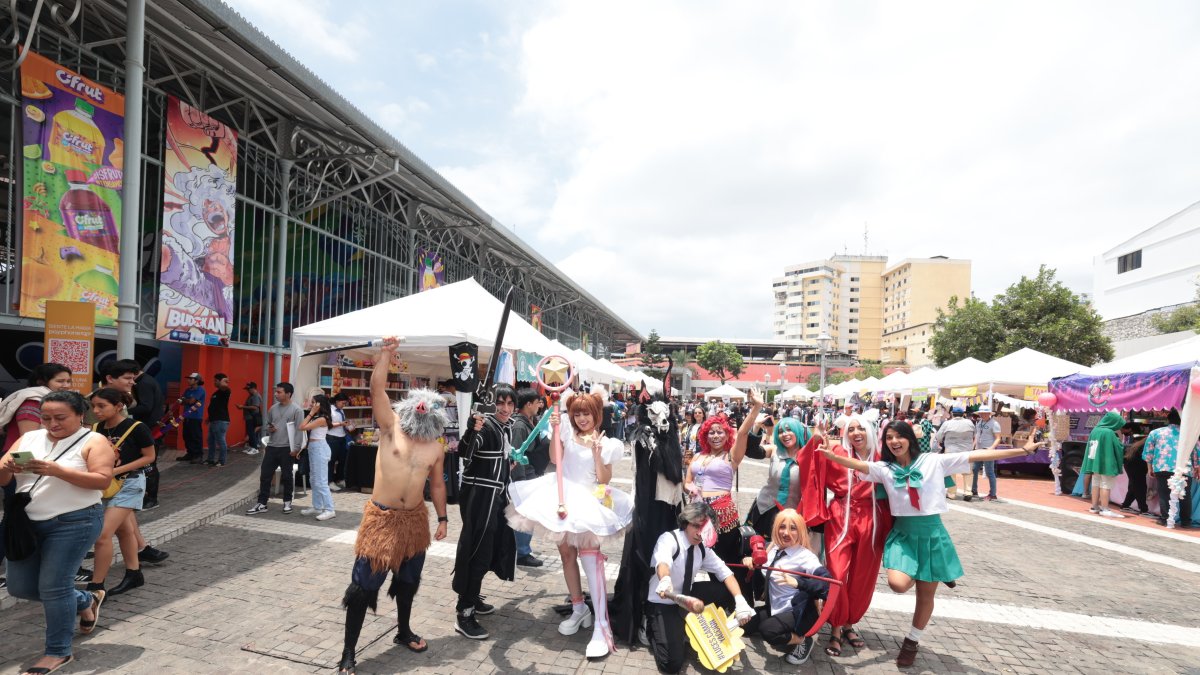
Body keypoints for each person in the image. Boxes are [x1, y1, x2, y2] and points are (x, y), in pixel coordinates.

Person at [820, 420, 1043, 666]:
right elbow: (859, 464)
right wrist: (833, 456)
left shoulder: (933, 461)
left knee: (925, 597)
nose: (895, 442)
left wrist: (1022, 450)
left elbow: (975, 454)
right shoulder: (885, 468)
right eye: (890, 438)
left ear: (911, 439)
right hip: (903, 536)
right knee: (897, 584)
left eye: (900, 437)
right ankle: (935, 571)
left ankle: (911, 642)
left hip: (932, 535)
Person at [338, 339, 449, 674]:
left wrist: (443, 518)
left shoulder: (436, 447)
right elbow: (376, 389)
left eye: (429, 408)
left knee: (407, 581)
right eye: (419, 406)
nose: (422, 411)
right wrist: (385, 354)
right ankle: (348, 652)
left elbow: (438, 485)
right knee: (362, 588)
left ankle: (403, 631)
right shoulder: (390, 429)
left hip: (415, 521)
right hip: (382, 521)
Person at [508, 390, 634, 657]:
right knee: (566, 555)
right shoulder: (567, 432)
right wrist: (556, 429)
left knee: (590, 559)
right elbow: (555, 460)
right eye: (577, 413)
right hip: (563, 497)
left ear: (596, 414)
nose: (581, 418)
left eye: (586, 413)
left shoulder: (607, 442)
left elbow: (604, 480)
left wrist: (598, 454)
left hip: (589, 503)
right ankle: (579, 607)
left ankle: (601, 624)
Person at [0, 390, 114, 675]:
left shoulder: (94, 441)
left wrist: (57, 470)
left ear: (79, 415)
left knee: (54, 587)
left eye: (60, 418)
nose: (52, 424)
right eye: (46, 417)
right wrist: (7, 467)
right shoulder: (30, 438)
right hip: (27, 523)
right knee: (21, 587)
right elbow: (3, 478)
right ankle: (85, 600)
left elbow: (101, 481)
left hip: (74, 522)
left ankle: (58, 652)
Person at [803, 413, 893, 657]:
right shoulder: (839, 454)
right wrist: (816, 439)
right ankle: (835, 626)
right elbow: (812, 462)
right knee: (837, 572)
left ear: (870, 431)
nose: (856, 433)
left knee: (864, 575)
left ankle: (849, 624)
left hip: (872, 516)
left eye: (860, 428)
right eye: (851, 429)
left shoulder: (882, 457)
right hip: (840, 514)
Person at [644, 502, 754, 674]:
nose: (699, 532)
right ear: (686, 522)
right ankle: (650, 626)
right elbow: (663, 562)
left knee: (725, 590)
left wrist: (740, 601)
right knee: (671, 664)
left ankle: (686, 625)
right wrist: (665, 579)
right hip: (663, 601)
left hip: (687, 596)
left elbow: (725, 573)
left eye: (704, 528)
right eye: (696, 525)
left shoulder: (703, 549)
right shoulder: (669, 539)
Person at [611, 396, 684, 647]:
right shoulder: (644, 439)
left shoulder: (670, 439)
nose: (660, 421)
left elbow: (675, 475)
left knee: (664, 561)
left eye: (664, 415)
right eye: (654, 415)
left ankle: (658, 613)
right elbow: (642, 476)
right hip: (646, 511)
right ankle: (640, 615)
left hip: (667, 511)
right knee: (644, 560)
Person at [452, 384, 519, 640]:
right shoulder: (486, 425)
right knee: (477, 551)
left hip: (496, 499)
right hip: (480, 501)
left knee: (490, 549)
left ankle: (473, 597)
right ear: (492, 404)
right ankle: (464, 613)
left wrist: (507, 464)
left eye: (509, 404)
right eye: (500, 403)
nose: (505, 408)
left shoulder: (505, 427)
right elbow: (465, 452)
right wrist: (471, 429)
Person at [86, 388, 156, 598]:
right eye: (94, 406)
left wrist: (115, 470)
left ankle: (97, 586)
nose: (96, 411)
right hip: (106, 486)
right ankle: (134, 574)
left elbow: (149, 457)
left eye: (101, 406)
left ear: (118, 406)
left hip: (131, 483)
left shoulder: (136, 427)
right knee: (124, 531)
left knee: (102, 536)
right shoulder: (97, 428)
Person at [739, 509, 832, 666]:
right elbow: (760, 565)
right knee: (745, 624)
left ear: (801, 531)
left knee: (768, 630)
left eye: (793, 528)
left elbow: (827, 583)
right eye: (782, 527)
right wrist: (749, 560)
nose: (786, 533)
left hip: (797, 612)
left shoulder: (805, 557)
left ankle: (802, 640)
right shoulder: (773, 548)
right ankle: (779, 626)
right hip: (775, 606)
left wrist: (799, 583)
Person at [682, 389, 762, 564]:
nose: (715, 436)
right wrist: (691, 488)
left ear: (727, 435)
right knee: (695, 558)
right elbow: (687, 481)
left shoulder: (731, 456)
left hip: (723, 516)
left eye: (720, 432)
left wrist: (756, 407)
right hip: (697, 513)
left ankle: (732, 591)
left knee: (725, 562)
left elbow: (742, 433)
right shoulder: (697, 456)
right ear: (704, 435)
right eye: (711, 432)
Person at [245, 383, 304, 515]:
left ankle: (287, 502)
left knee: (287, 476)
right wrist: (269, 429)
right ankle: (262, 503)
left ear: (288, 394)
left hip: (287, 448)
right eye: (276, 392)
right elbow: (268, 425)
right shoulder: (273, 408)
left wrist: (296, 448)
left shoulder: (297, 410)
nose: (276, 394)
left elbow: (300, 431)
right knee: (265, 476)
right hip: (272, 447)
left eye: (279, 392)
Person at [1142, 409, 1200, 527]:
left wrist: (1149, 468)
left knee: (1164, 494)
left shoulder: (1155, 433)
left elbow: (1148, 453)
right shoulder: (1189, 435)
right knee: (1184, 495)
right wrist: (1196, 467)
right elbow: (1196, 453)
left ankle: (1165, 519)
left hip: (1162, 467)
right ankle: (1185, 521)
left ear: (1168, 419)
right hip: (1184, 468)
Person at [509, 389, 547, 568]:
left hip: (530, 475)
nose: (540, 405)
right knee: (525, 514)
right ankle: (522, 552)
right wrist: (521, 482)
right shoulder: (519, 425)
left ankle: (522, 549)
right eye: (538, 402)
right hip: (524, 477)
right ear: (528, 404)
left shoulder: (529, 422)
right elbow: (517, 455)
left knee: (528, 513)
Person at [124, 361, 164, 510]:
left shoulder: (144, 383)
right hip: (148, 426)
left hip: (150, 428)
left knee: (149, 465)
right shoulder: (147, 381)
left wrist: (123, 411)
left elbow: (146, 407)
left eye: (127, 377)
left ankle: (151, 498)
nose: (129, 382)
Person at [1081, 411, 1127, 518]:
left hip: (1094, 462)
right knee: (1106, 485)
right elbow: (1119, 446)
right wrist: (1120, 435)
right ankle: (1105, 508)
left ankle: (1094, 507)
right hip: (1106, 463)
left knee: (1096, 483)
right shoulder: (1109, 432)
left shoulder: (1095, 430)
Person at [299, 394, 336, 520]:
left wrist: (311, 413)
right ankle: (317, 506)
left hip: (319, 448)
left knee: (321, 481)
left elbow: (302, 427)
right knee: (314, 480)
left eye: (313, 402)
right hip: (314, 448)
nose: (311, 404)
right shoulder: (319, 417)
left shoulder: (321, 419)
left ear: (319, 405)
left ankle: (330, 509)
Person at [933, 407, 975, 501]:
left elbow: (939, 437)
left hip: (951, 450)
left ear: (952, 413)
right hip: (967, 450)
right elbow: (974, 434)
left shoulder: (947, 423)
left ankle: (952, 493)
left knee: (951, 472)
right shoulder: (969, 423)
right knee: (968, 471)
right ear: (963, 414)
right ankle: (968, 492)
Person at [971, 406, 1001, 501]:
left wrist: (991, 448)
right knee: (974, 469)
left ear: (989, 414)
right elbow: (977, 435)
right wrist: (973, 445)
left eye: (984, 413)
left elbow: (998, 438)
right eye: (981, 413)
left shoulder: (995, 424)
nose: (982, 415)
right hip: (979, 449)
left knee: (989, 472)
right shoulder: (979, 422)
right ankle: (974, 490)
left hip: (988, 450)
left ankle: (992, 494)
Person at [1119, 423, 1149, 515]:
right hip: (1136, 464)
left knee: (1134, 486)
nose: (1122, 432)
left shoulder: (1136, 439)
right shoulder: (1141, 439)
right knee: (1139, 486)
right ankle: (1143, 509)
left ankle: (1125, 505)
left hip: (1131, 463)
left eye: (1123, 429)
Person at [177, 373, 206, 462]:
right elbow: (181, 401)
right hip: (187, 416)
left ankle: (198, 455)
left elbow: (190, 401)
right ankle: (190, 454)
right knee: (186, 435)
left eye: (191, 378)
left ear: (196, 380)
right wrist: (185, 400)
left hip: (195, 417)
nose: (188, 380)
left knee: (195, 436)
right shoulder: (188, 390)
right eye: (188, 378)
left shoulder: (200, 390)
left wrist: (185, 400)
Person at [204, 373, 231, 466]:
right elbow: (215, 407)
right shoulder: (215, 393)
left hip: (221, 421)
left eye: (216, 380)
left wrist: (225, 380)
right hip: (213, 420)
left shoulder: (225, 391)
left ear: (221, 381)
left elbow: (224, 386)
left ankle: (221, 461)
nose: (214, 382)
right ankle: (210, 459)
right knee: (210, 441)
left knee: (220, 440)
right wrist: (209, 418)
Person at [327, 392, 351, 490]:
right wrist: (340, 424)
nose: (344, 405)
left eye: (345, 403)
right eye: (343, 403)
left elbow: (342, 423)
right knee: (331, 461)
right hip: (332, 438)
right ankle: (330, 481)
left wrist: (348, 426)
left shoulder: (341, 411)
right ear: (337, 401)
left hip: (342, 437)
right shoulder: (330, 410)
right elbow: (328, 425)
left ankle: (340, 479)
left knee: (342, 459)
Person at [236, 381, 263, 456]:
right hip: (249, 417)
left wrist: (242, 407)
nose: (248, 391)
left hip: (252, 417)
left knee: (251, 433)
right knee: (250, 432)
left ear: (253, 388)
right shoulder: (251, 395)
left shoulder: (255, 396)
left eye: (249, 389)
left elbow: (255, 407)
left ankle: (255, 448)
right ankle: (251, 447)